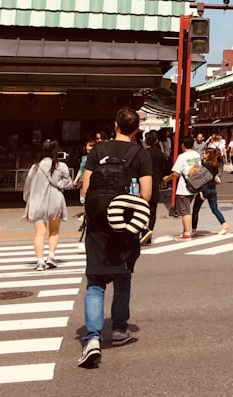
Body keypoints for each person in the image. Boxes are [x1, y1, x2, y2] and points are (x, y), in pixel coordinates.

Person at [78, 107, 153, 369]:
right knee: (122, 278)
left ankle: (92, 338)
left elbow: (86, 191)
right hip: (124, 225)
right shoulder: (140, 154)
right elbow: (146, 194)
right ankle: (120, 329)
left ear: (115, 125)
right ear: (136, 129)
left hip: (98, 224)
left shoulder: (97, 150)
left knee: (95, 282)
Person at [23, 138, 73, 270]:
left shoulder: (35, 167)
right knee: (54, 231)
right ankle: (51, 256)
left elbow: (27, 186)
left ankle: (40, 261)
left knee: (40, 233)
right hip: (55, 200)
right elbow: (68, 183)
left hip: (38, 200)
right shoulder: (61, 166)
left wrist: (28, 198)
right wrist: (59, 184)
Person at [164, 135, 202, 240]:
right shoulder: (196, 155)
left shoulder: (182, 157)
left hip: (184, 188)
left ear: (183, 145)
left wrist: (167, 179)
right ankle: (185, 230)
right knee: (187, 209)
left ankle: (187, 233)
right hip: (193, 185)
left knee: (185, 212)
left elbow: (176, 173)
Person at [190, 146, 230, 236]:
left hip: (204, 189)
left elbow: (200, 179)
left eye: (204, 153)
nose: (203, 154)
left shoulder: (204, 165)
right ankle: (224, 225)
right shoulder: (215, 165)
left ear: (208, 155)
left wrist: (200, 192)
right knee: (215, 209)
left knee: (195, 209)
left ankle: (193, 229)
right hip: (213, 189)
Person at [140, 131, 168, 245]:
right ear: (156, 141)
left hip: (143, 185)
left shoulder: (143, 153)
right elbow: (165, 169)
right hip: (155, 185)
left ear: (146, 141)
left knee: (140, 210)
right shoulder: (161, 155)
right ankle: (149, 234)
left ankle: (143, 230)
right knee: (152, 211)